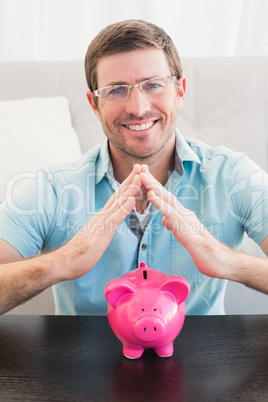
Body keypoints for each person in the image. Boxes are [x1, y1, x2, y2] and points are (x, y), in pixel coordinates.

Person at [0, 19, 268, 315]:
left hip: (202, 357)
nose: (138, 107)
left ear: (180, 91)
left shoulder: (232, 175)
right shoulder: (53, 188)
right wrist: (62, 261)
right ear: (94, 104)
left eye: (153, 85)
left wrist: (227, 261)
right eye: (116, 90)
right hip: (83, 360)